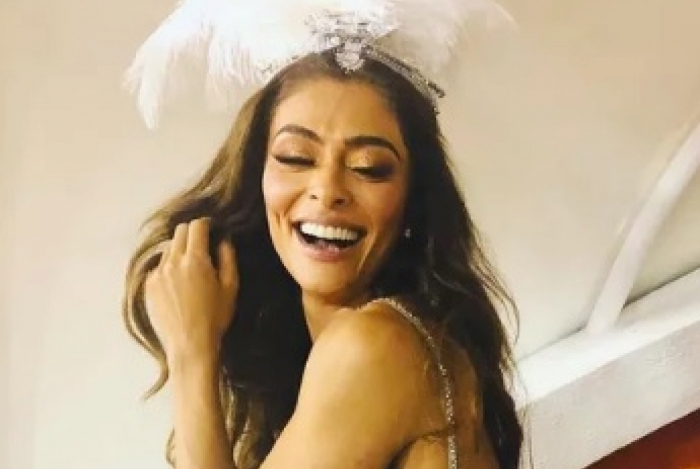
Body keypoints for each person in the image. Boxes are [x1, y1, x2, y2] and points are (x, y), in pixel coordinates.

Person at [123, 13, 523, 469]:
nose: (328, 190)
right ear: (257, 178)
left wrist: (192, 354)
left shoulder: (375, 348)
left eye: (369, 167)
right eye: (296, 158)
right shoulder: (370, 343)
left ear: (414, 200)